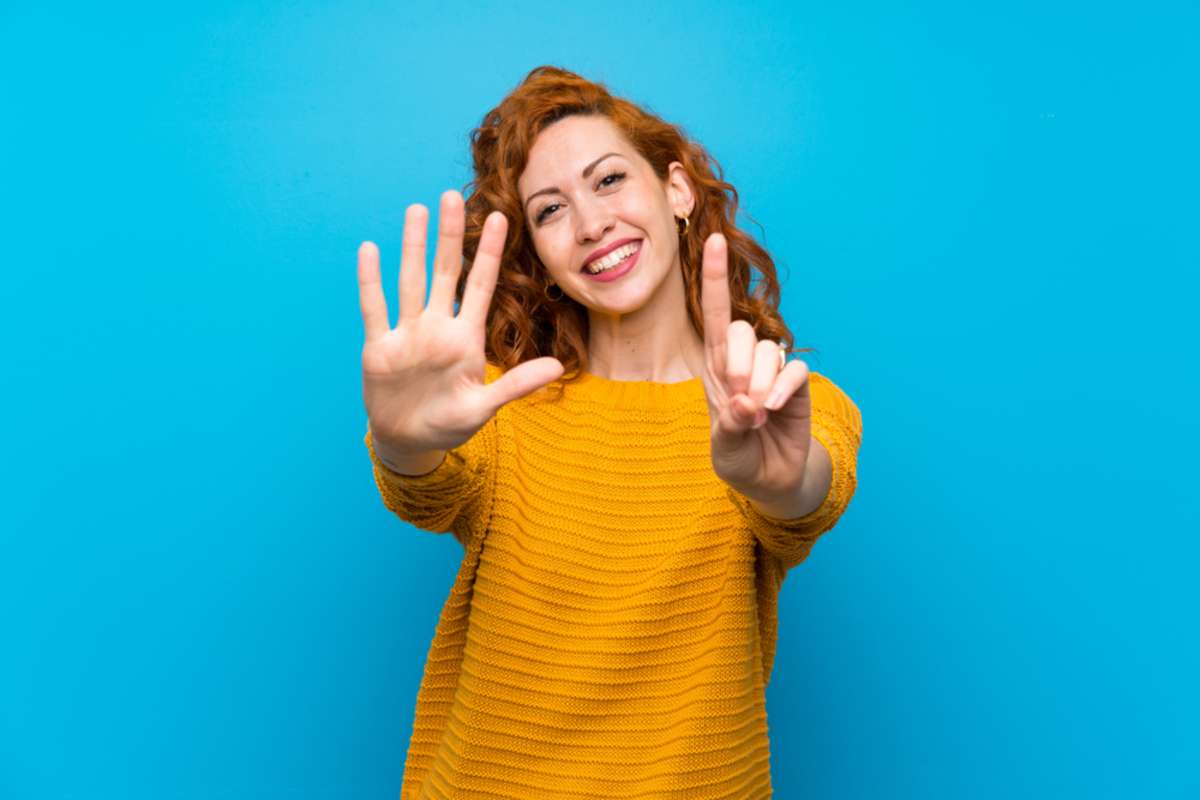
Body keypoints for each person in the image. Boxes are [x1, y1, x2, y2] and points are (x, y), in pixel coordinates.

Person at [357, 65, 863, 800]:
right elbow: (426, 491)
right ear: (541, 255)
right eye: (550, 210)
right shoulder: (504, 401)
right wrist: (403, 442)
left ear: (678, 190)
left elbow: (808, 494)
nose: (591, 224)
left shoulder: (783, 401)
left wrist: (779, 480)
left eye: (607, 180)